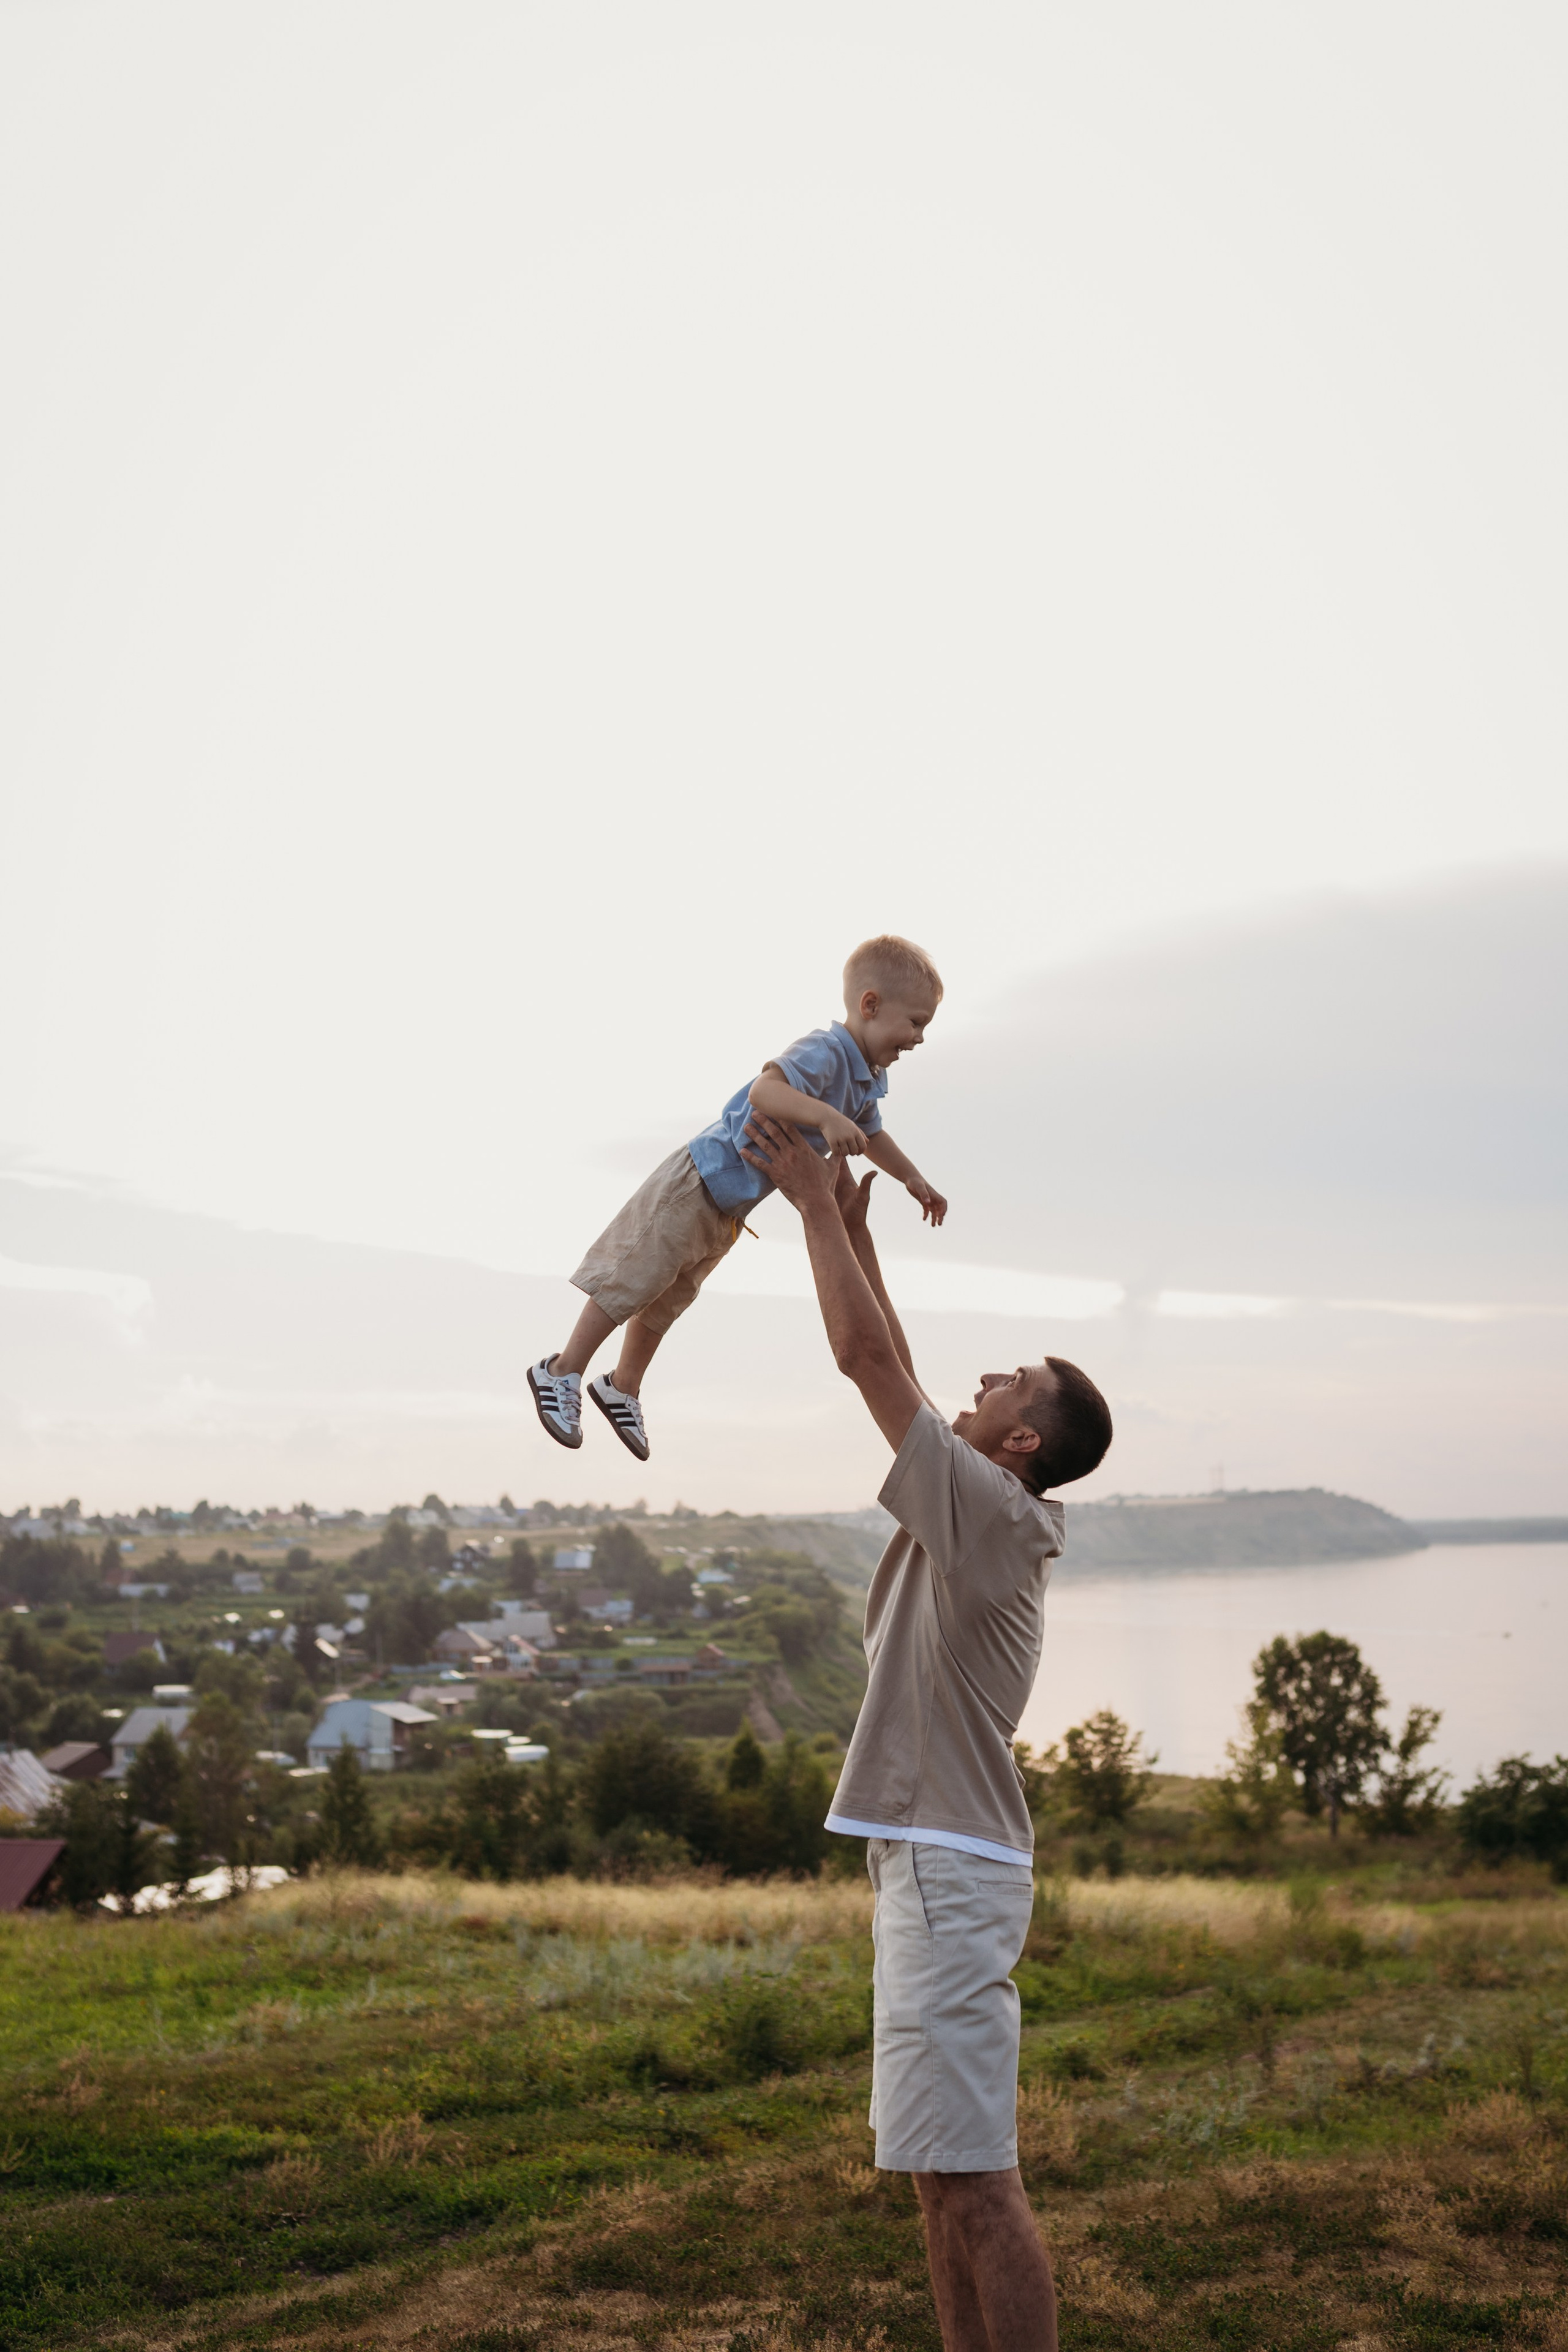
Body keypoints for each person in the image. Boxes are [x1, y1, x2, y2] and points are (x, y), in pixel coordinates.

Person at [739, 1108, 1113, 2352]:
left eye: (1007, 1383)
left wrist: (804, 1209)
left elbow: (864, 1366)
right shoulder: (981, 1500)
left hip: (952, 1870)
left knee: (977, 2177)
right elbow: (890, 1354)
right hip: (925, 1860)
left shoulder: (996, 1517)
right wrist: (853, 1227)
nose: (981, 1380)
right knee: (934, 2172)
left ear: (1018, 1443)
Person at [528, 933, 948, 1463]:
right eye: (916, 1022)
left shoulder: (867, 1080)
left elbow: (873, 1136)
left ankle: (624, 1384)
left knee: (669, 1297)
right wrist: (824, 1115)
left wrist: (913, 1178)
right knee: (633, 1276)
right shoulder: (826, 1051)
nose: (919, 1038)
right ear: (870, 1005)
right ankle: (563, 1369)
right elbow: (764, 1092)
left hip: (729, 1206)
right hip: (699, 1178)